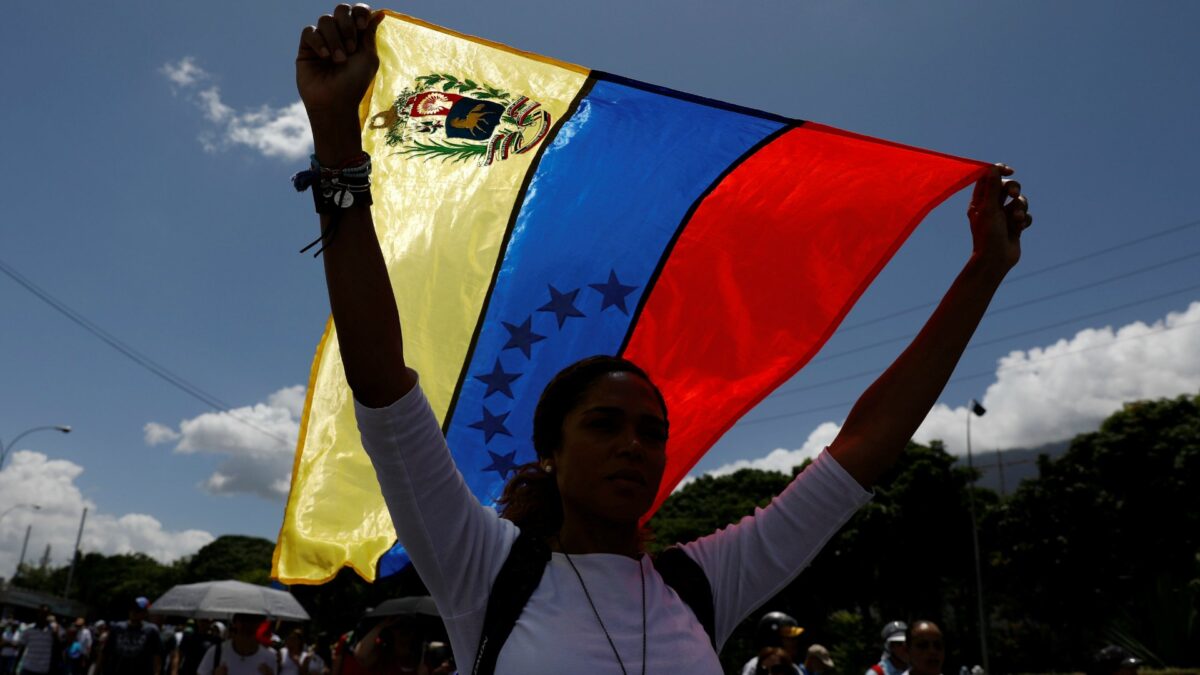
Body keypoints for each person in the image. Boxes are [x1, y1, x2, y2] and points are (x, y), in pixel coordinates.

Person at [296, 4, 1033, 674]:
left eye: (652, 431)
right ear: (548, 452)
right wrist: (335, 138)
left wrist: (982, 273)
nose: (634, 445)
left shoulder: (706, 582)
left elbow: (861, 451)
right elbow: (382, 380)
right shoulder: (482, 564)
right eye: (605, 424)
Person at [97, 597, 162, 675]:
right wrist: (97, 670)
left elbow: (157, 656)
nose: (133, 612)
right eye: (132, 609)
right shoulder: (118, 628)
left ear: (145, 612)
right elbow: (105, 651)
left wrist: (157, 672)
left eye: (138, 610)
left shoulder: (151, 630)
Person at [195, 614, 277, 675]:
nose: (247, 625)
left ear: (259, 623)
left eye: (253, 620)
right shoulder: (217, 651)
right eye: (243, 619)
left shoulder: (269, 658)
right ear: (235, 622)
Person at [14, 605, 57, 675]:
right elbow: (21, 649)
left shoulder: (52, 632)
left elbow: (56, 651)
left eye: (46, 614)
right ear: (38, 613)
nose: (43, 616)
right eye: (41, 613)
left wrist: (55, 632)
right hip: (27, 668)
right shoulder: (29, 630)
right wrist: (15, 667)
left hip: (43, 670)